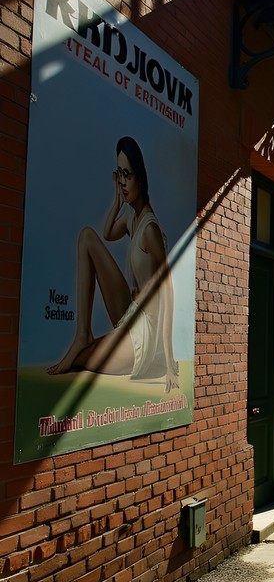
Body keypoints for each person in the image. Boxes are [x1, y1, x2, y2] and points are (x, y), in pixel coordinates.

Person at [47, 136, 179, 393]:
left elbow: (168, 293)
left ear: (140, 178)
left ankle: (87, 346)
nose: (122, 182)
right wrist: (117, 201)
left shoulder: (150, 229)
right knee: (87, 236)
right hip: (131, 312)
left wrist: (170, 360)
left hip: (144, 334)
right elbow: (107, 233)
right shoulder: (132, 217)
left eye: (127, 175)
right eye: (119, 174)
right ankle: (82, 334)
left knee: (83, 360)